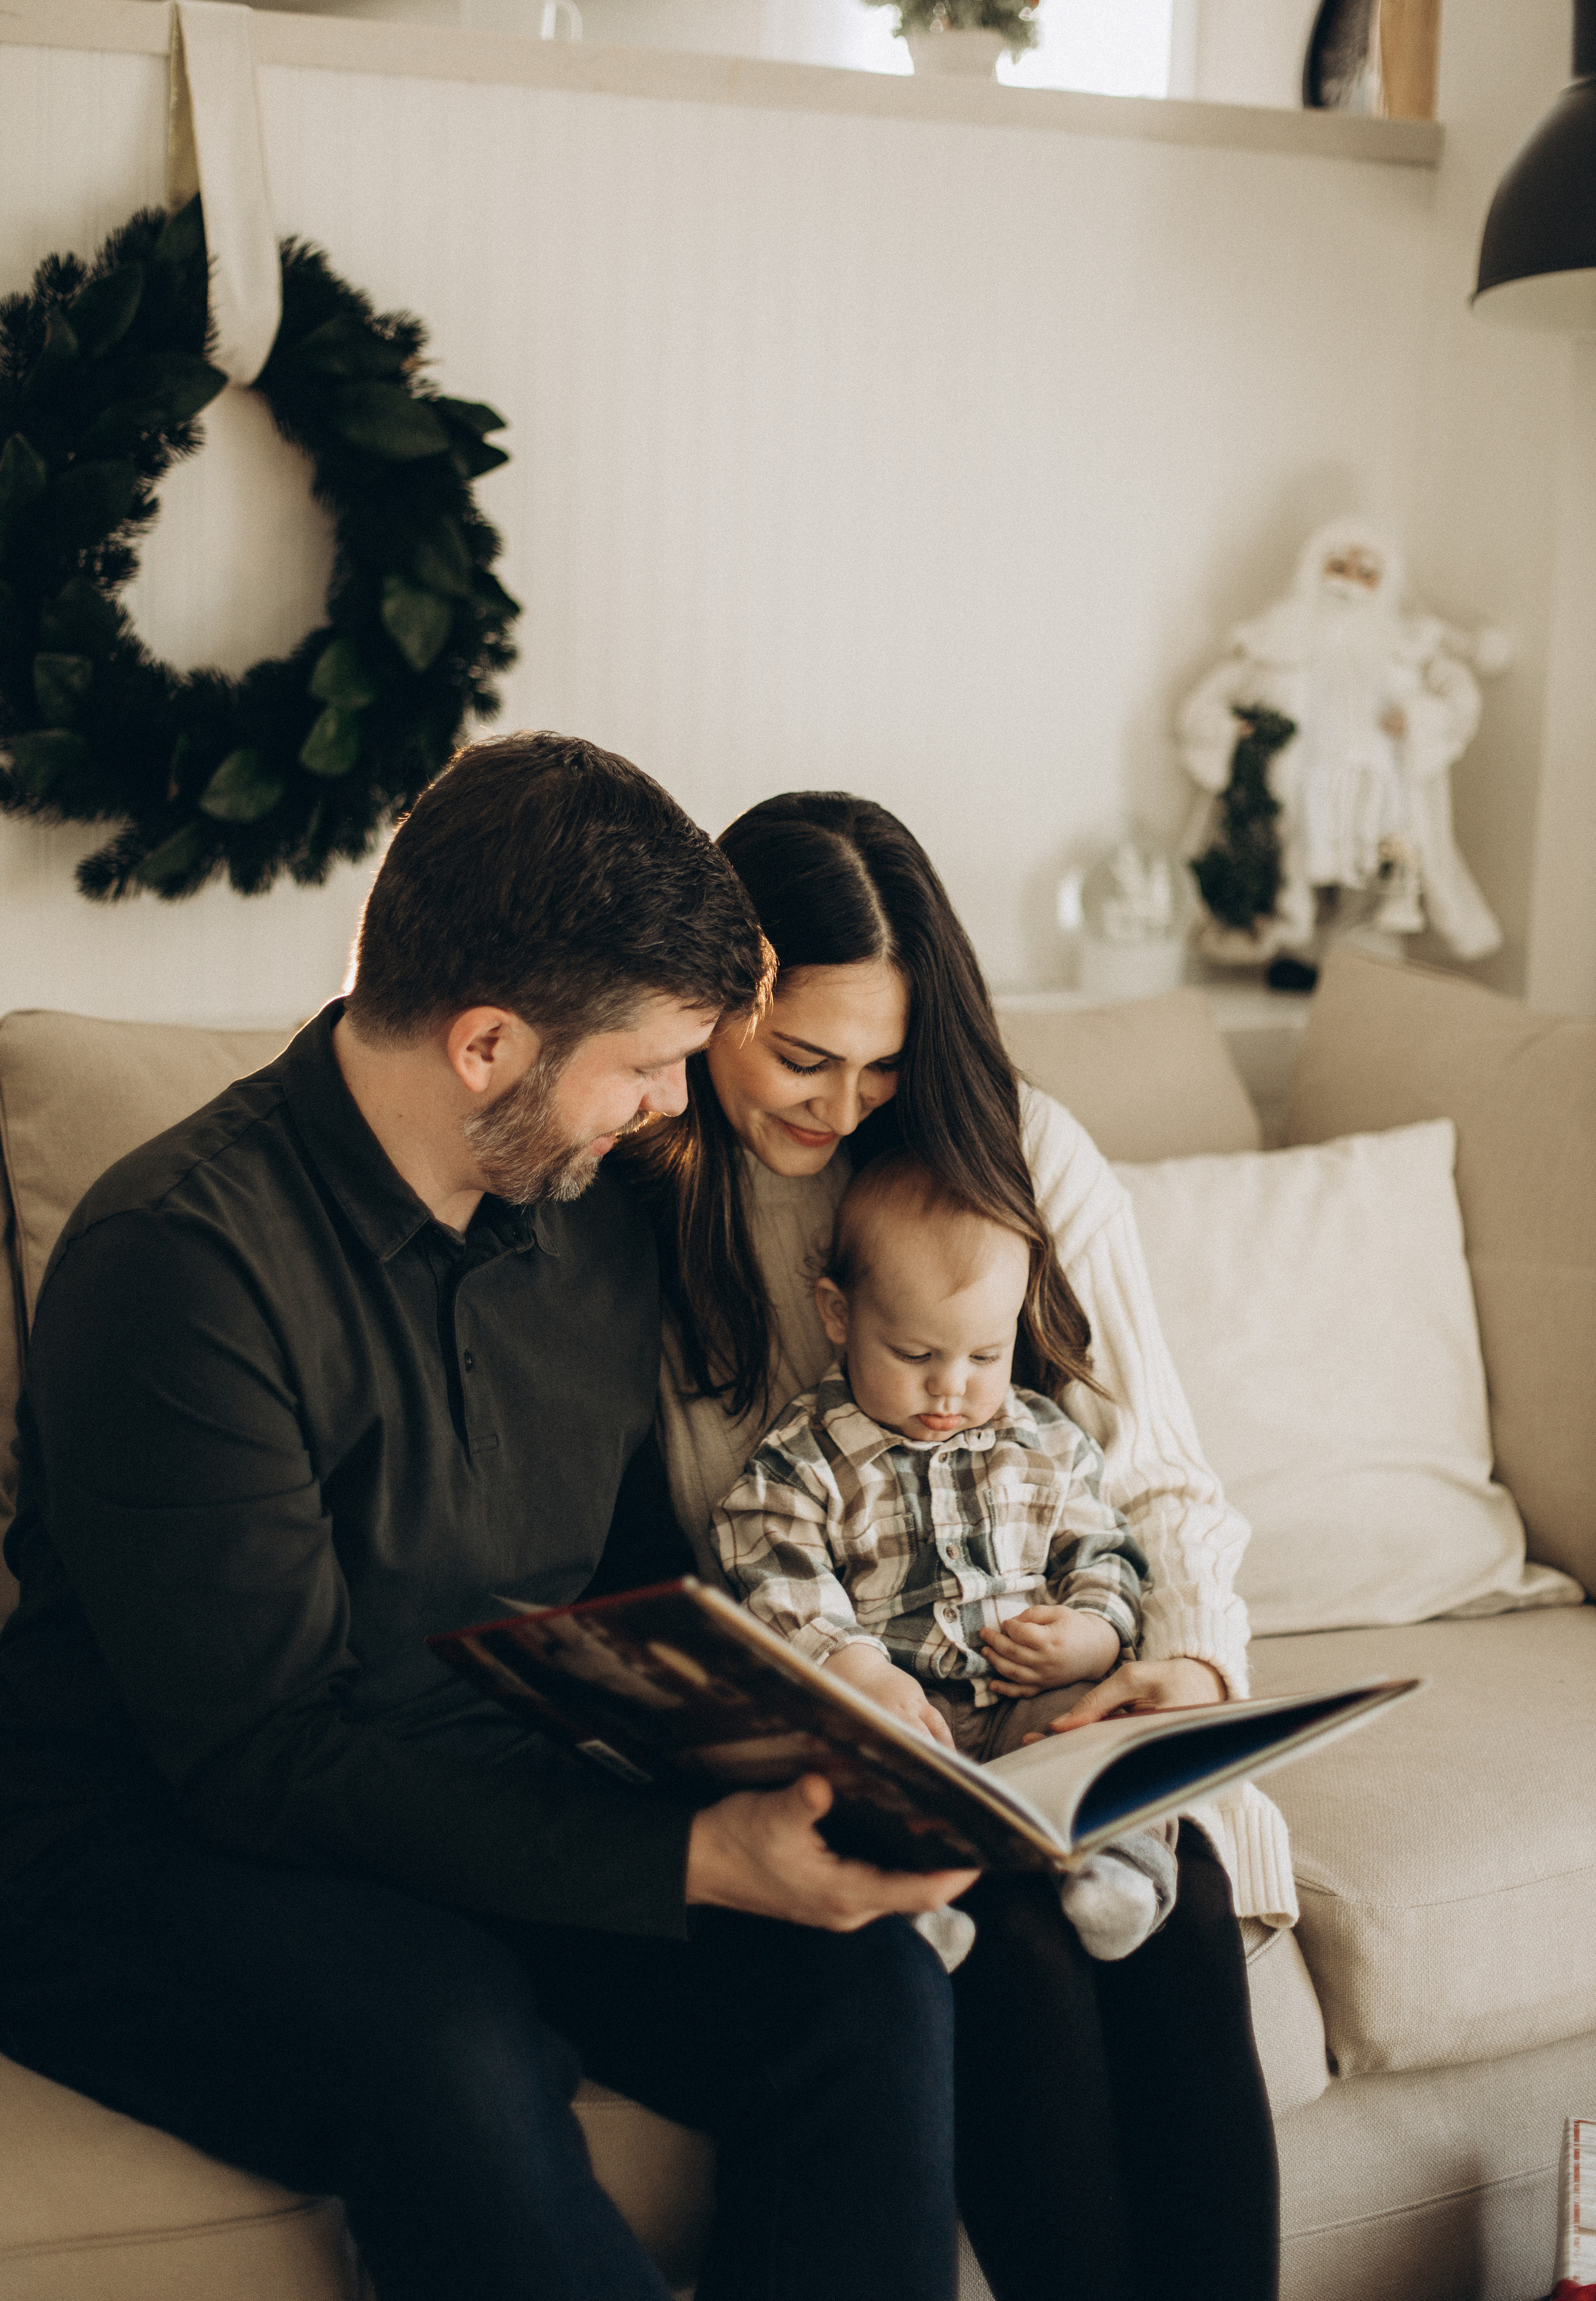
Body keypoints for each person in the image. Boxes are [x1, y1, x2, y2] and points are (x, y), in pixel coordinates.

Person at [0, 735, 978, 2301]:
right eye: (647, 1061)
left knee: (864, 1989)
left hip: (472, 1781)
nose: (675, 1100)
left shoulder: (587, 1217)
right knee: (443, 2036)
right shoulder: (175, 1261)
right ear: (484, 1045)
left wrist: (806, 1712)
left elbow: (615, 1581)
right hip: (150, 1840)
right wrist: (687, 1858)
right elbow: (262, 1756)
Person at [622, 789, 1289, 2301]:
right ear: (712, 1004)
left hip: (1063, 1700)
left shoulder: (1014, 1151)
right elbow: (692, 1555)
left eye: (883, 1062)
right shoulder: (645, 1187)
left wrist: (1174, 1665)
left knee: (1168, 1900)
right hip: (847, 1735)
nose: (840, 1103)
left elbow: (1152, 1472)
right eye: (800, 1055)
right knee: (1009, 1948)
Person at [713, 1149, 1178, 1964]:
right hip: (904, 1705)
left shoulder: (1044, 1440)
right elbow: (774, 1568)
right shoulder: (804, 1457)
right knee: (858, 1777)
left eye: (984, 1357)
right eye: (916, 1356)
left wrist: (1095, 1633)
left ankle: (1118, 1868)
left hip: (1031, 1693)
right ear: (837, 1313)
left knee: (1105, 1729)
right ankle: (915, 1908)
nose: (951, 1388)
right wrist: (856, 1669)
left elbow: (1105, 1547)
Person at [1177, 514, 1505, 966]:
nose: (1349, 584)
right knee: (1296, 866)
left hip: (1378, 780)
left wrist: (1417, 717)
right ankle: (1297, 953)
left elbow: (1459, 697)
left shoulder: (1406, 642)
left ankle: (1359, 963)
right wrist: (1226, 725)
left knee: (1375, 871)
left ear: (1383, 582)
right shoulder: (1278, 636)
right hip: (1301, 779)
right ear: (1315, 569)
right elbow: (1210, 698)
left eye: (1366, 573)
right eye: (1339, 568)